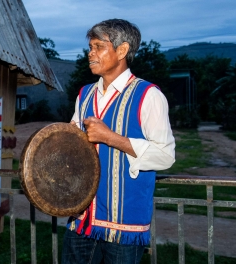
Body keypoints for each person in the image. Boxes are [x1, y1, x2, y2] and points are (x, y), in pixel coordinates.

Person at [62, 19, 176, 263]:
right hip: (82, 217)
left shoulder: (149, 95)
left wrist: (111, 138)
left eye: (98, 47)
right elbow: (74, 142)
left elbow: (166, 156)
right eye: (90, 47)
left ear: (122, 50)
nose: (90, 54)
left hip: (124, 224)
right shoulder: (84, 94)